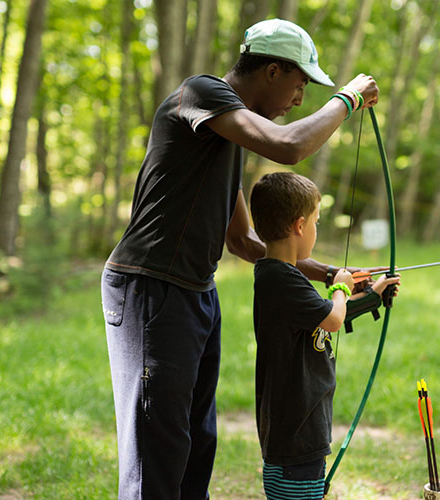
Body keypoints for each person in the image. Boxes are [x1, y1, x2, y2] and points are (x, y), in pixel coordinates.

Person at [101, 18, 380, 500]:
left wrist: (330, 272)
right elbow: (289, 147)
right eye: (299, 82)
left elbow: (248, 244)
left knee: (195, 441)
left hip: (196, 293)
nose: (300, 97)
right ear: (272, 71)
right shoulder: (200, 95)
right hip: (151, 287)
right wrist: (348, 98)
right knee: (158, 450)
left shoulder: (224, 138)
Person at [249, 172, 401, 500]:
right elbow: (332, 316)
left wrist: (373, 296)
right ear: (300, 226)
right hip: (295, 436)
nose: (316, 231)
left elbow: (321, 316)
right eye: (317, 222)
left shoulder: (282, 275)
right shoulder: (279, 278)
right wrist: (341, 286)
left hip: (301, 430)